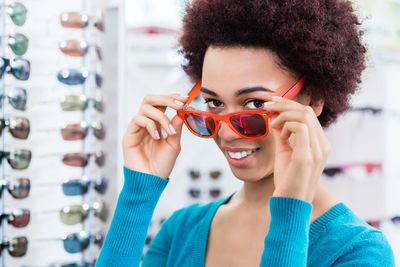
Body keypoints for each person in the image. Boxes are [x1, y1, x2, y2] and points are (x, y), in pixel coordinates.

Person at [96, 0, 395, 266]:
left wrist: (290, 210)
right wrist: (138, 192)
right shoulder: (180, 232)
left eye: (254, 104)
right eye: (214, 103)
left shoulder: (357, 252)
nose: (225, 133)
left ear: (313, 99)